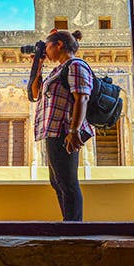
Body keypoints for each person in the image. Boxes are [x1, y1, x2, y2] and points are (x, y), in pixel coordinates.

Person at [30, 29, 93, 221]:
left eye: (47, 47)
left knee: (67, 182)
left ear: (59, 45)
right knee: (57, 181)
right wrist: (38, 65)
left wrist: (74, 131)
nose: (46, 51)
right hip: (54, 132)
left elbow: (82, 97)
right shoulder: (58, 70)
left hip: (65, 132)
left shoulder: (75, 65)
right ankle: (69, 223)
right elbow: (34, 93)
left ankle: (74, 227)